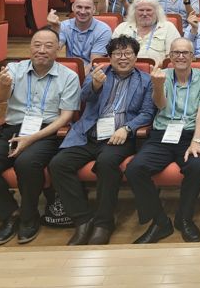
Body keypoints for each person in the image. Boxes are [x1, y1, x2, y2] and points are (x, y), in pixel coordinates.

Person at [0, 28, 81, 246]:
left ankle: (29, 218)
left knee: (27, 163)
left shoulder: (68, 76)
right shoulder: (14, 69)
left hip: (47, 132)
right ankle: (10, 214)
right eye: (36, 45)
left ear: (58, 49)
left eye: (48, 46)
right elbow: (0, 99)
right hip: (14, 130)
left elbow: (65, 117)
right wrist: (2, 86)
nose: (41, 50)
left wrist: (31, 139)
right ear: (30, 47)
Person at [48, 36, 155, 245]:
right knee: (58, 164)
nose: (122, 58)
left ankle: (104, 222)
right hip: (89, 134)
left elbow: (147, 113)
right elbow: (83, 98)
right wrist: (95, 86)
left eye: (127, 54)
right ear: (110, 56)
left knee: (106, 163)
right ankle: (82, 219)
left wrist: (127, 128)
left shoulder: (146, 81)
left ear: (136, 56)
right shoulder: (98, 73)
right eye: (117, 54)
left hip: (119, 137)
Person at [125, 39, 200, 243]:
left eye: (185, 52)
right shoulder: (160, 76)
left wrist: (196, 141)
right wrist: (157, 86)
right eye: (176, 53)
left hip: (190, 133)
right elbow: (161, 105)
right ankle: (160, 221)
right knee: (134, 169)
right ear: (170, 56)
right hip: (163, 133)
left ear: (193, 56)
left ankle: (184, 218)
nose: (181, 56)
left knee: (198, 166)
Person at [112, 0, 181, 64]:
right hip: (125, 71)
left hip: (157, 72)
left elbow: (174, 57)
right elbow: (113, 54)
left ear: (157, 12)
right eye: (141, 10)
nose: (144, 14)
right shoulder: (122, 28)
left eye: (149, 10)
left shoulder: (168, 27)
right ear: (134, 12)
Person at [46, 0, 111, 68]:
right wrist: (55, 29)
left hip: (91, 73)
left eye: (87, 8)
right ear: (73, 7)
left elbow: (94, 64)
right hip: (70, 70)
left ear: (94, 10)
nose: (83, 11)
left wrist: (77, 78)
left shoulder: (103, 30)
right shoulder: (64, 25)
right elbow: (55, 49)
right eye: (79, 7)